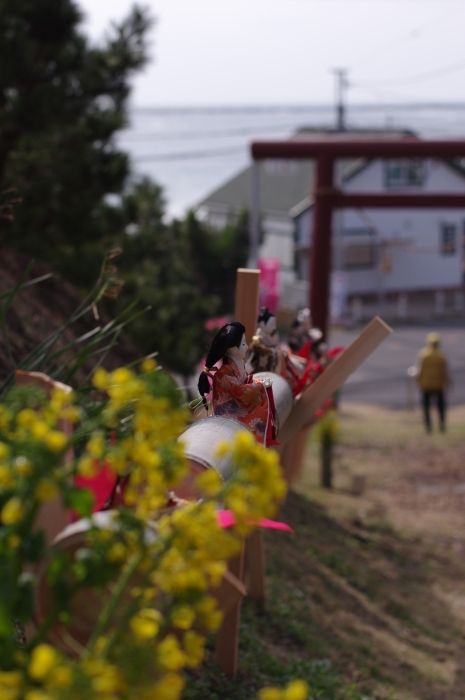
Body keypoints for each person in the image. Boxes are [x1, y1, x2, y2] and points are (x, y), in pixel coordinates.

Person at [197, 321, 277, 445]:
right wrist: (260, 385)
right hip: (228, 413)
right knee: (259, 412)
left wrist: (259, 382)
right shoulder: (224, 373)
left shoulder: (238, 364)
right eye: (243, 344)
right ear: (232, 349)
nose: (247, 347)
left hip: (236, 405)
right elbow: (239, 391)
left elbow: (245, 381)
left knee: (262, 405)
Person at [416, 332, 450, 433]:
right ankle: (442, 426)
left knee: (426, 407)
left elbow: (420, 370)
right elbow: (445, 372)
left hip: (426, 385)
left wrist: (418, 381)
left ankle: (428, 427)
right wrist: (448, 383)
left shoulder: (423, 355)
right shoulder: (441, 356)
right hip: (439, 385)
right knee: (440, 407)